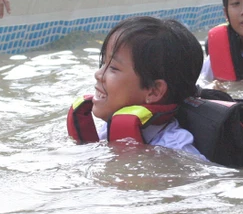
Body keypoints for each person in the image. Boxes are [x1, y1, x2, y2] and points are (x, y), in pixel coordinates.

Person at [69, 16, 205, 158]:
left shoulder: (176, 150)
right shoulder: (108, 130)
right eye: (103, 63)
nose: (98, 74)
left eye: (113, 68)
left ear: (154, 91)